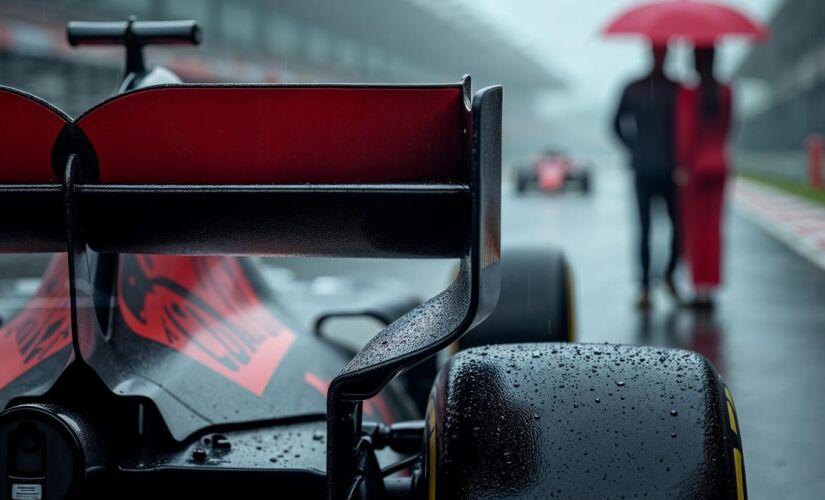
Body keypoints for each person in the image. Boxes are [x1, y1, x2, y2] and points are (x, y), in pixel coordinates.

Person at [613, 44, 681, 310]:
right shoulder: (634, 87)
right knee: (645, 228)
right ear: (651, 53)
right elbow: (615, 123)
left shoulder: (678, 89)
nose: (661, 57)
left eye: (664, 52)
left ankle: (669, 274)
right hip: (645, 169)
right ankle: (644, 286)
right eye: (658, 52)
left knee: (678, 229)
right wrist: (634, 148)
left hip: (673, 169)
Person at [675, 46, 732, 310]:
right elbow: (729, 126)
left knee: (696, 231)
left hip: (696, 167)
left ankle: (699, 290)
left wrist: (682, 164)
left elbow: (686, 133)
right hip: (720, 163)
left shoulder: (689, 93)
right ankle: (712, 288)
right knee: (714, 230)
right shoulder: (727, 91)